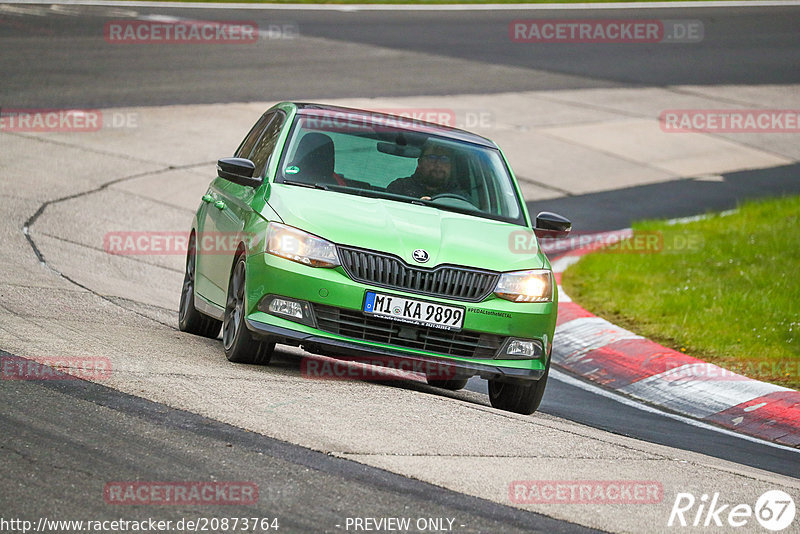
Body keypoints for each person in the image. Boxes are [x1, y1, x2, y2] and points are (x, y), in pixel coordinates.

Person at [386, 141, 465, 200]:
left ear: (451, 166)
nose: (438, 164)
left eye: (444, 159)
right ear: (420, 162)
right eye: (432, 158)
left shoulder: (459, 198)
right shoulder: (400, 188)